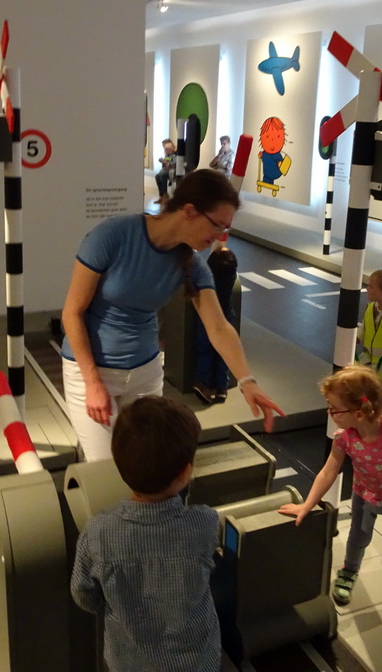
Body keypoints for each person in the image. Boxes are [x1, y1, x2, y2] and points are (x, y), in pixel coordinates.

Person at [61, 168, 284, 461]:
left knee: (145, 465)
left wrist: (247, 381)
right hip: (90, 370)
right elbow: (72, 313)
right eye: (218, 225)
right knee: (105, 472)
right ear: (189, 211)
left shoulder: (191, 264)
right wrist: (92, 383)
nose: (221, 236)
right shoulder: (112, 235)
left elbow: (218, 327)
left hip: (145, 373)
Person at [71, 396, 220, 672]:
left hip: (128, 663)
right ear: (185, 472)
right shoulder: (204, 522)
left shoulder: (98, 532)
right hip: (196, 664)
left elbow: (83, 594)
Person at [280, 365, 382, 633]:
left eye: (334, 408)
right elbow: (329, 471)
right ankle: (349, 571)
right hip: (364, 496)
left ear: (360, 412)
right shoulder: (345, 439)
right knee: (358, 538)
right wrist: (307, 503)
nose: (330, 413)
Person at [192, 245, 238, 404]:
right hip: (226, 316)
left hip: (207, 318)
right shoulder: (230, 275)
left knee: (204, 349)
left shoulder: (208, 280)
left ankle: (203, 382)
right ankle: (221, 387)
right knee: (222, 353)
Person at [154, 138, 177, 205]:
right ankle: (161, 195)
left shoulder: (174, 155)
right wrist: (163, 162)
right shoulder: (167, 155)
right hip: (166, 170)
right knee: (157, 176)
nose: (165, 150)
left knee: (162, 174)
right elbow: (165, 164)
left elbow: (173, 165)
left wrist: (165, 162)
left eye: (166, 149)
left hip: (172, 171)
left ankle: (165, 194)